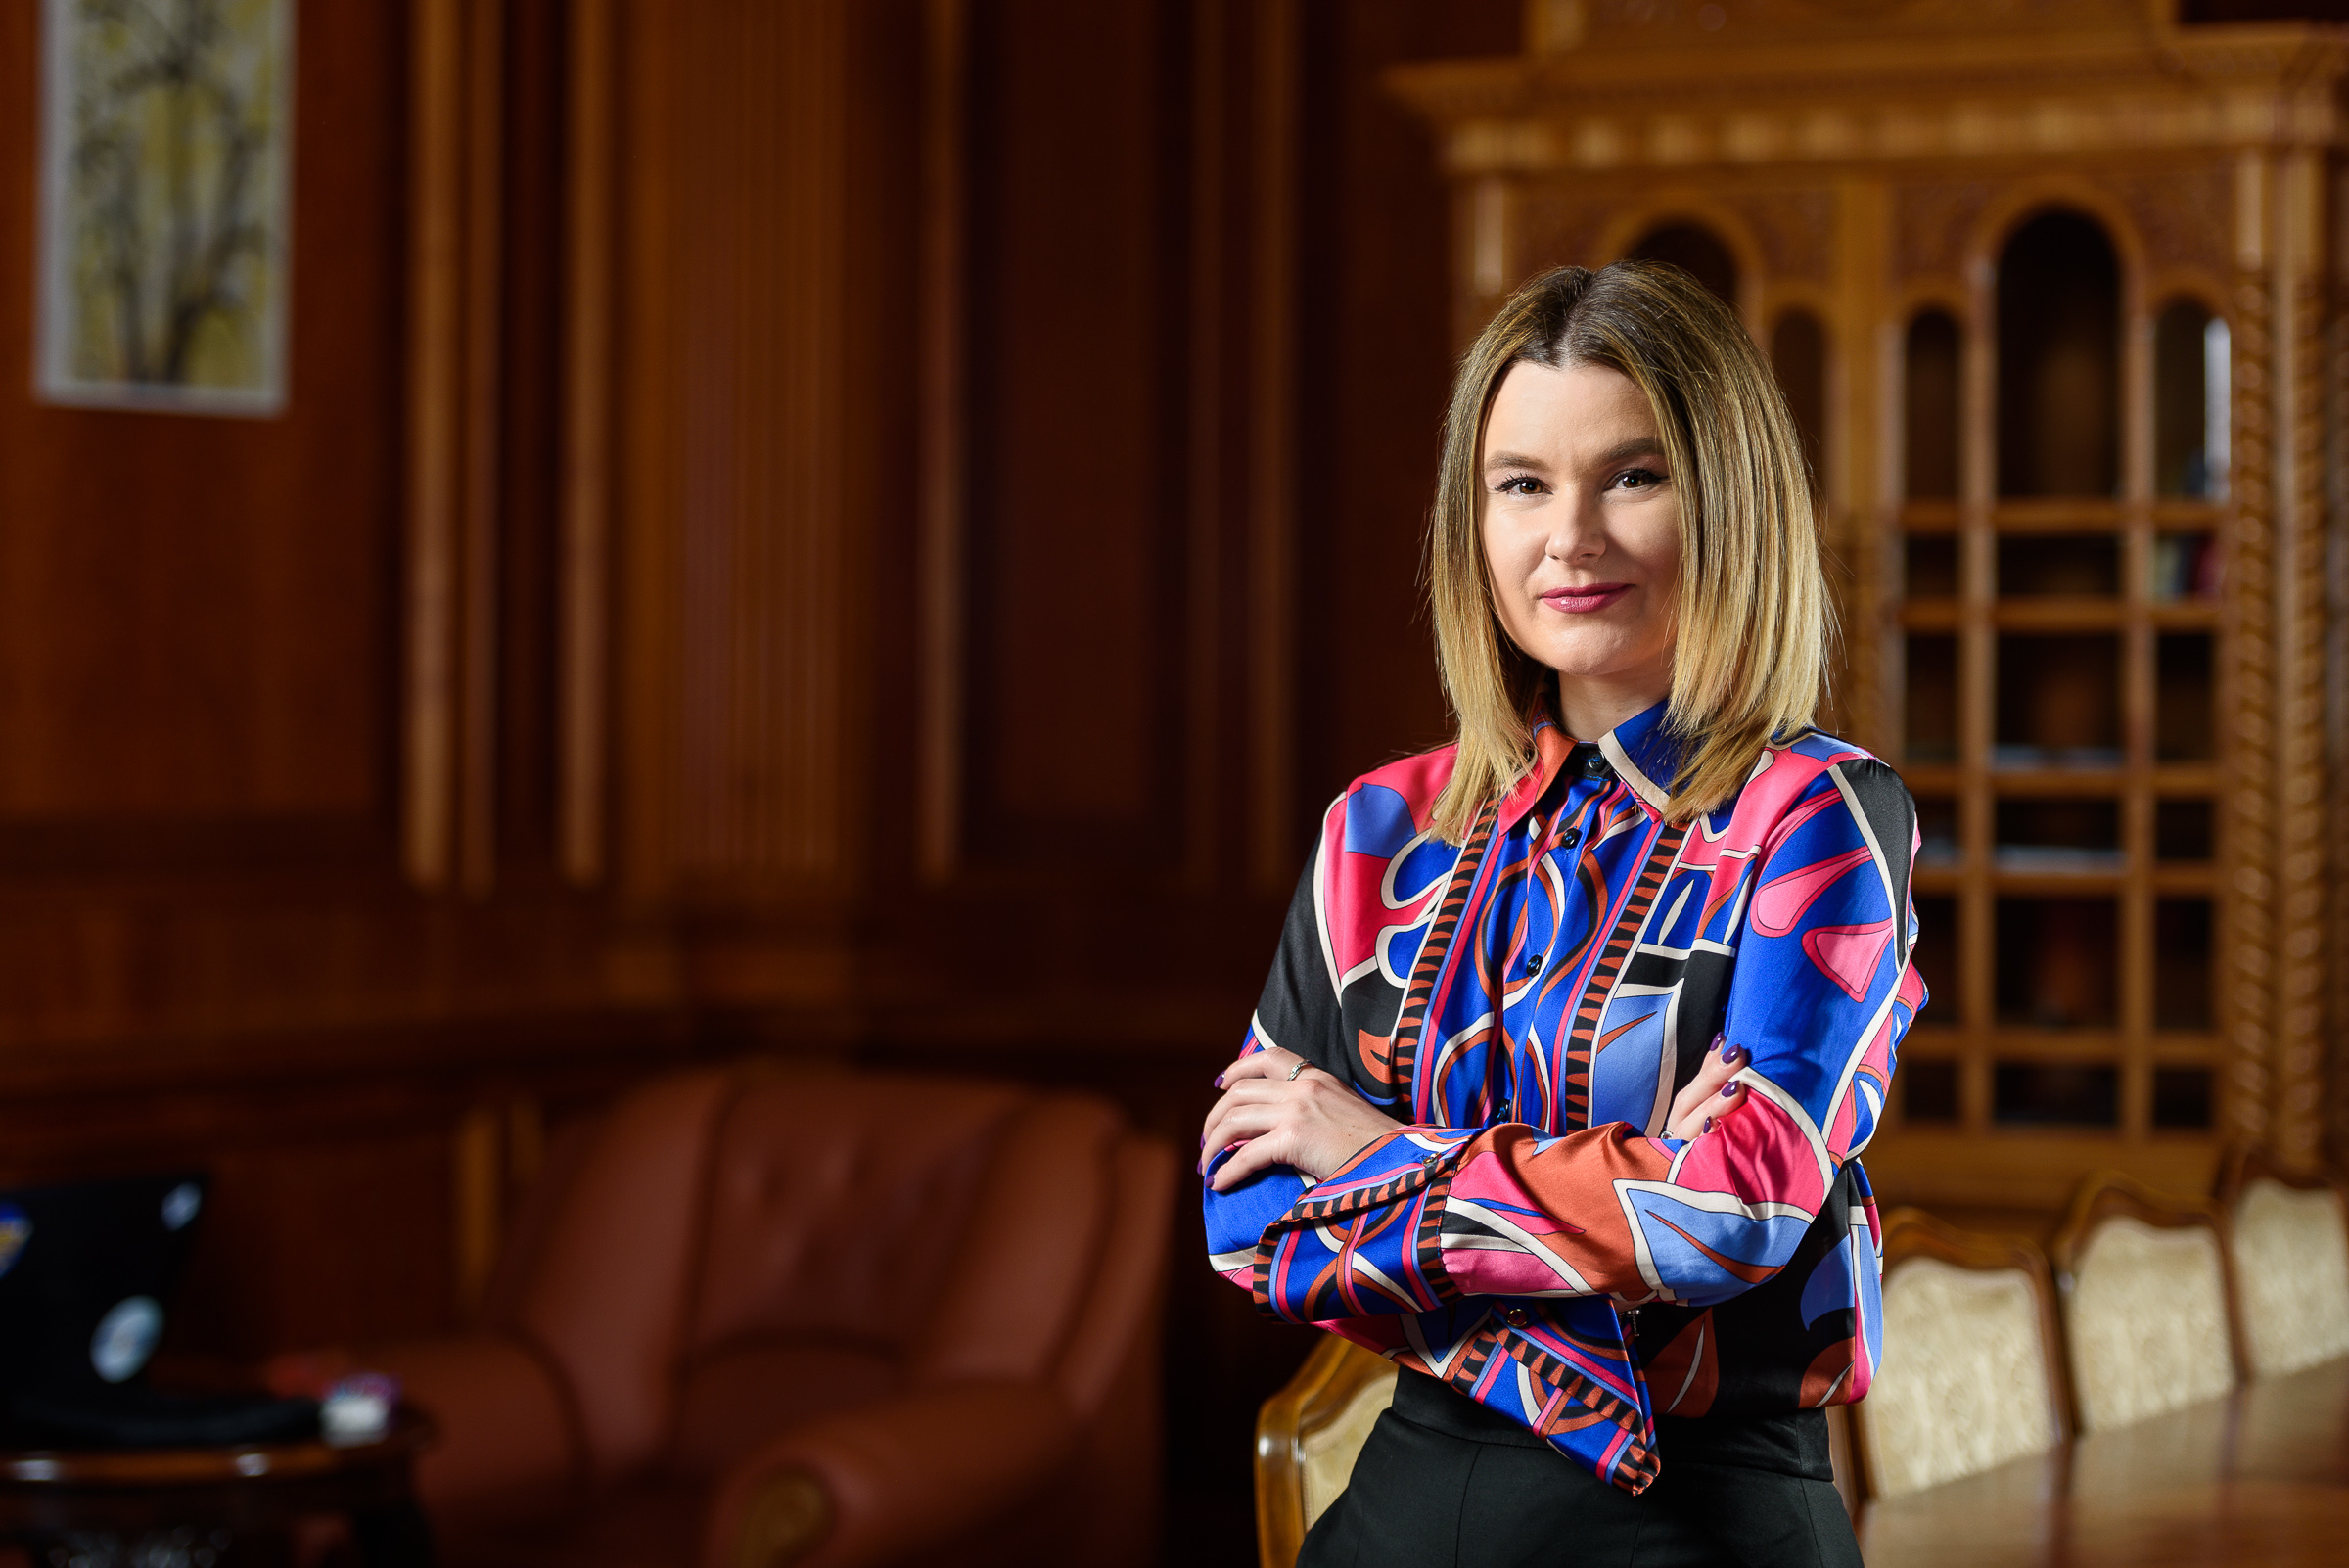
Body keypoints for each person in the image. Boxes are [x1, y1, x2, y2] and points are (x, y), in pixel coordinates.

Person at [1199, 259, 1926, 1567]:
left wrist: (1374, 1152)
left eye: (1632, 476)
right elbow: (1246, 1219)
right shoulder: (1378, 828)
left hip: (1695, 1522)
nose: (1570, 536)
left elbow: (1742, 1210)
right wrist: (1631, 1194)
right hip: (1401, 1510)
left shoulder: (1815, 814)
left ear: (1729, 503)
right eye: (1522, 483)